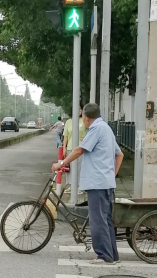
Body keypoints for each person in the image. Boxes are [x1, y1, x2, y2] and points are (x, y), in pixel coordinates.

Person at [52, 103, 124, 264]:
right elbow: (120, 155)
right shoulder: (106, 128)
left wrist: (61, 163)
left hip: (97, 183)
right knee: (105, 219)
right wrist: (111, 175)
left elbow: (79, 150)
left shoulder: (96, 129)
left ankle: (104, 255)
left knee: (98, 220)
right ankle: (112, 255)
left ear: (85, 117)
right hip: (105, 182)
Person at [62, 104, 86, 193]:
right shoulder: (68, 122)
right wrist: (64, 147)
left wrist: (85, 139)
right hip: (70, 147)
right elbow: (65, 136)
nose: (79, 111)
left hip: (80, 148)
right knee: (70, 167)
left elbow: (89, 132)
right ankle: (71, 185)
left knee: (80, 167)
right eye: (77, 109)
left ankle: (80, 186)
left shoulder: (84, 121)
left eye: (80, 109)